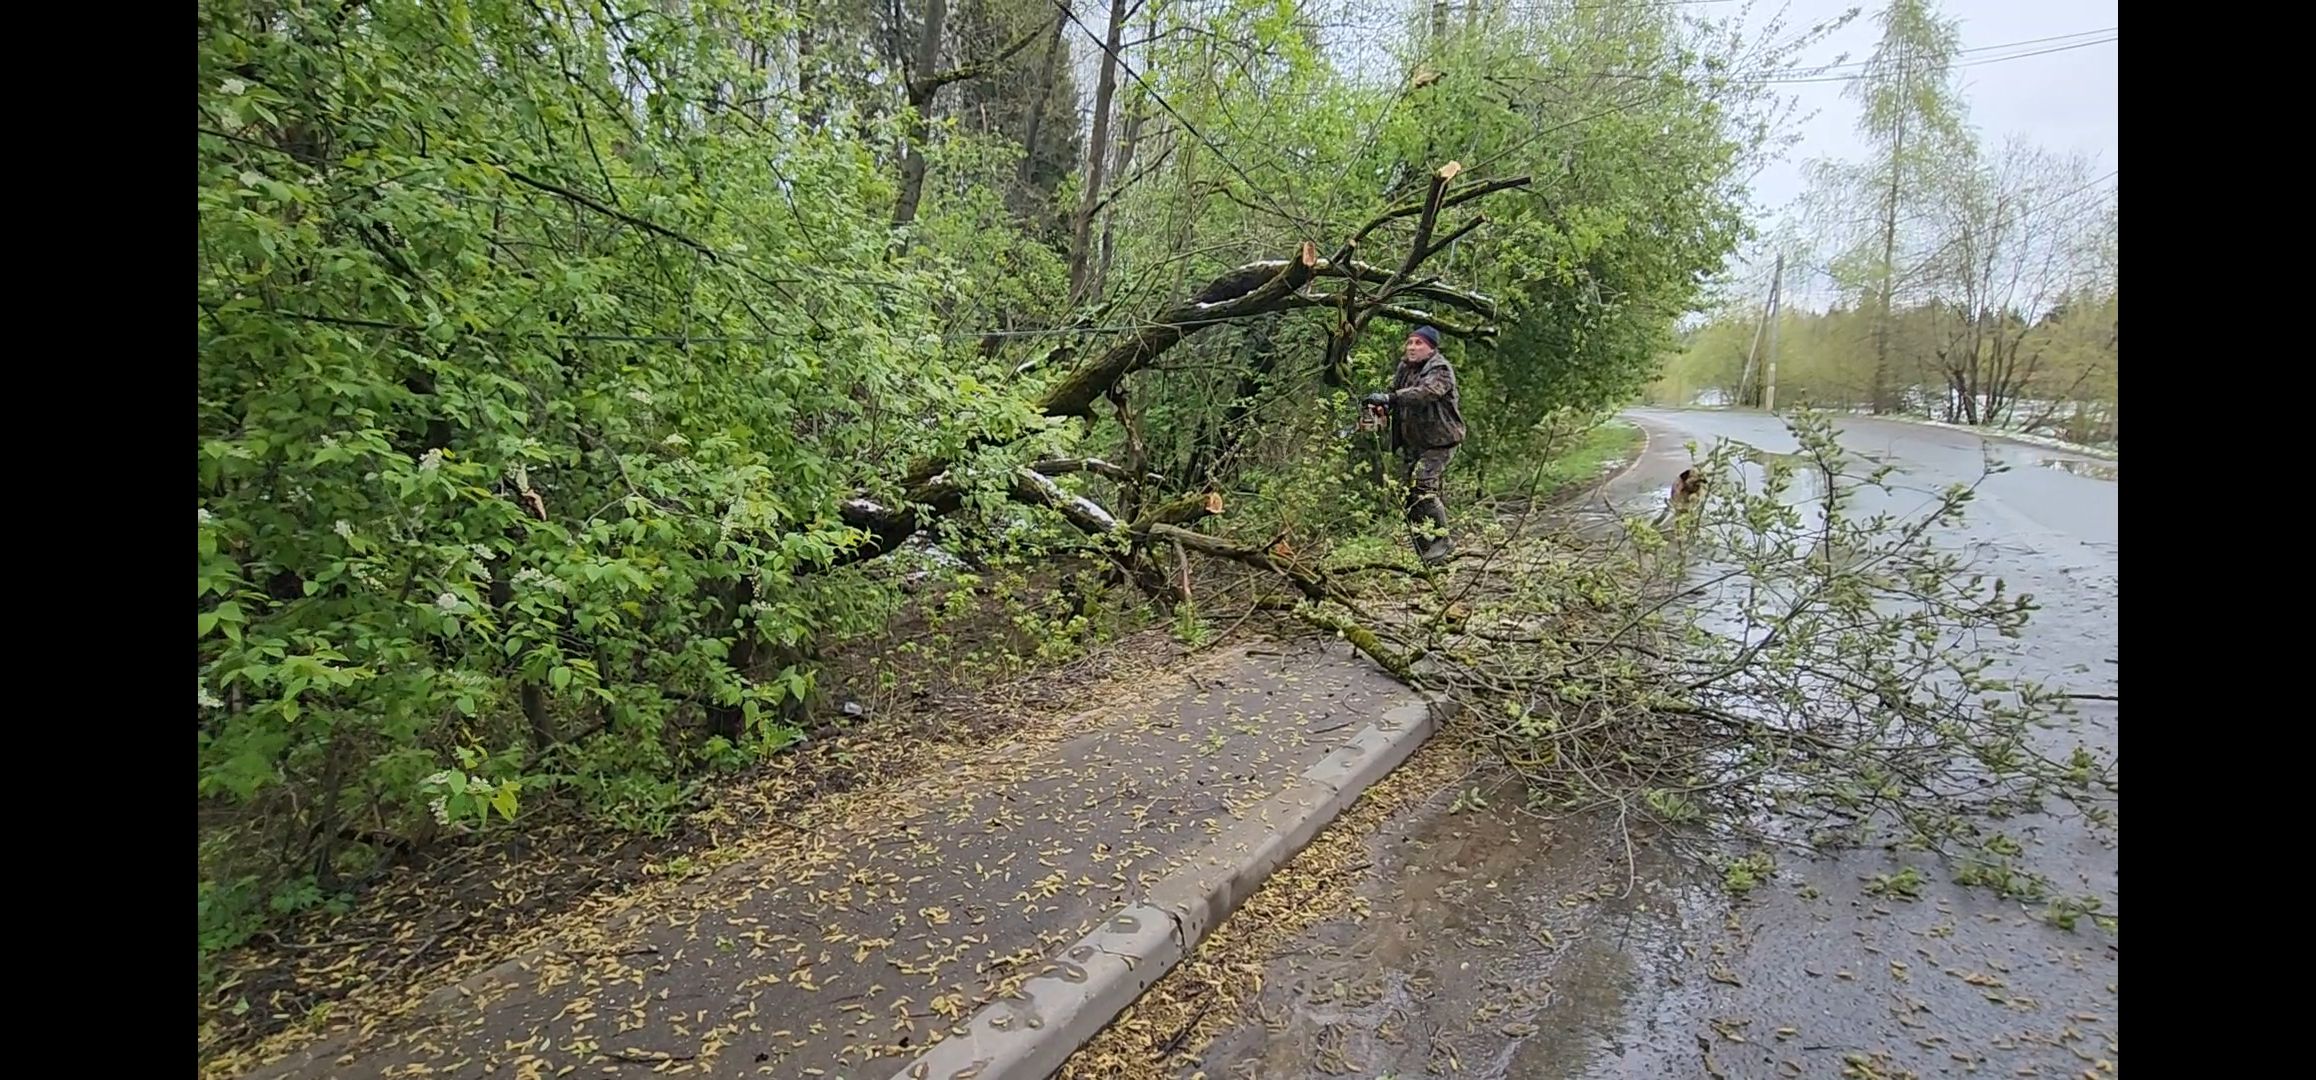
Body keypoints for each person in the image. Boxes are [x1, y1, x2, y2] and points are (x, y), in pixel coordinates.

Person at [1363, 326, 1467, 563]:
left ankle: (1442, 543)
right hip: (1414, 442)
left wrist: (1391, 398)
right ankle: (1425, 552)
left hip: (1440, 441)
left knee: (1422, 486)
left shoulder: (1440, 369)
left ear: (1431, 347)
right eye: (1409, 342)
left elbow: (1425, 393)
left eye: (1418, 343)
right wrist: (1383, 406)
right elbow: (1395, 394)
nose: (1411, 347)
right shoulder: (1405, 368)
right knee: (1410, 495)